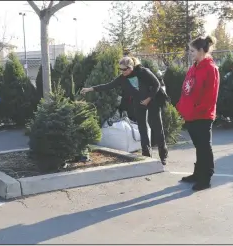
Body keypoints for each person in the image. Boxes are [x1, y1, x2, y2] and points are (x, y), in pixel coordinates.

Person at [81, 56, 169, 165]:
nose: (122, 71)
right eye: (120, 69)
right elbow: (108, 85)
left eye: (124, 69)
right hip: (139, 103)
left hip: (153, 99)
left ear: (131, 67)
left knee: (157, 127)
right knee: (142, 128)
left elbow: (157, 84)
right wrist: (91, 89)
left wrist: (148, 99)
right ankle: (147, 156)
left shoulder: (143, 72)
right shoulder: (122, 78)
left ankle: (163, 155)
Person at [176, 36, 220, 191]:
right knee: (198, 146)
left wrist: (196, 108)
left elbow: (210, 96)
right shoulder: (193, 67)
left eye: (193, 51)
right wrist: (181, 107)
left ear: (202, 51)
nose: (190, 53)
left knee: (204, 147)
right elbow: (186, 89)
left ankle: (206, 178)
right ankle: (197, 174)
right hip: (190, 115)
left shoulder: (211, 69)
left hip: (202, 115)